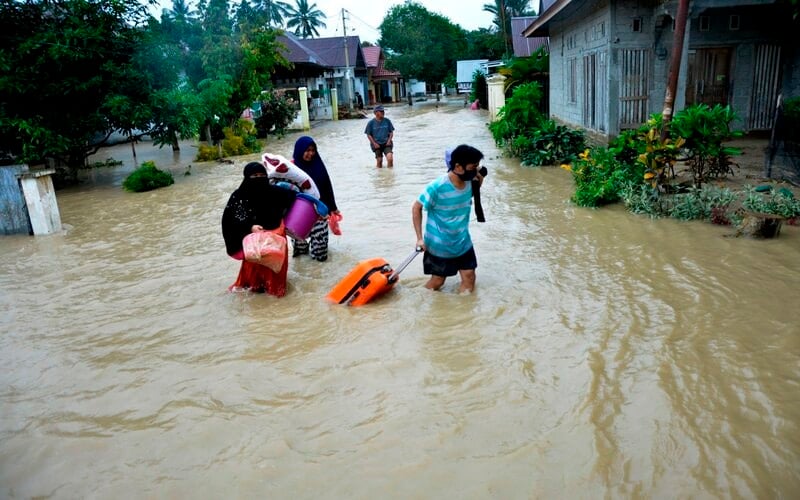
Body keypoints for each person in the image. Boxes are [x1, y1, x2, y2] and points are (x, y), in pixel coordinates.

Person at [412, 144, 485, 293]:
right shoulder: (437, 187)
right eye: (473, 167)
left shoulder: (471, 182)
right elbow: (416, 207)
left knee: (469, 276)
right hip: (439, 244)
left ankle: (463, 313)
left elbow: (466, 197)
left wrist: (479, 179)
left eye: (478, 166)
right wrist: (419, 238)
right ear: (458, 167)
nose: (476, 171)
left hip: (463, 241)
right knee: (438, 281)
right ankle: (418, 296)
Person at [222, 162, 296, 296]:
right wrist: (250, 226)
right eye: (255, 175)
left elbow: (297, 200)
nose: (259, 178)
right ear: (246, 177)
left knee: (275, 277)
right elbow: (231, 219)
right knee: (253, 284)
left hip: (276, 240)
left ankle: (275, 299)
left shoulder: (276, 192)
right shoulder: (239, 196)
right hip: (254, 243)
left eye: (262, 175)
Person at [291, 136, 340, 262]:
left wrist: (333, 208)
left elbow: (327, 187)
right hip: (297, 215)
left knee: (320, 256)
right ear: (299, 150)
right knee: (300, 254)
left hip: (319, 214)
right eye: (307, 150)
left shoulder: (318, 165)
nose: (310, 154)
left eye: (313, 150)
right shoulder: (291, 168)